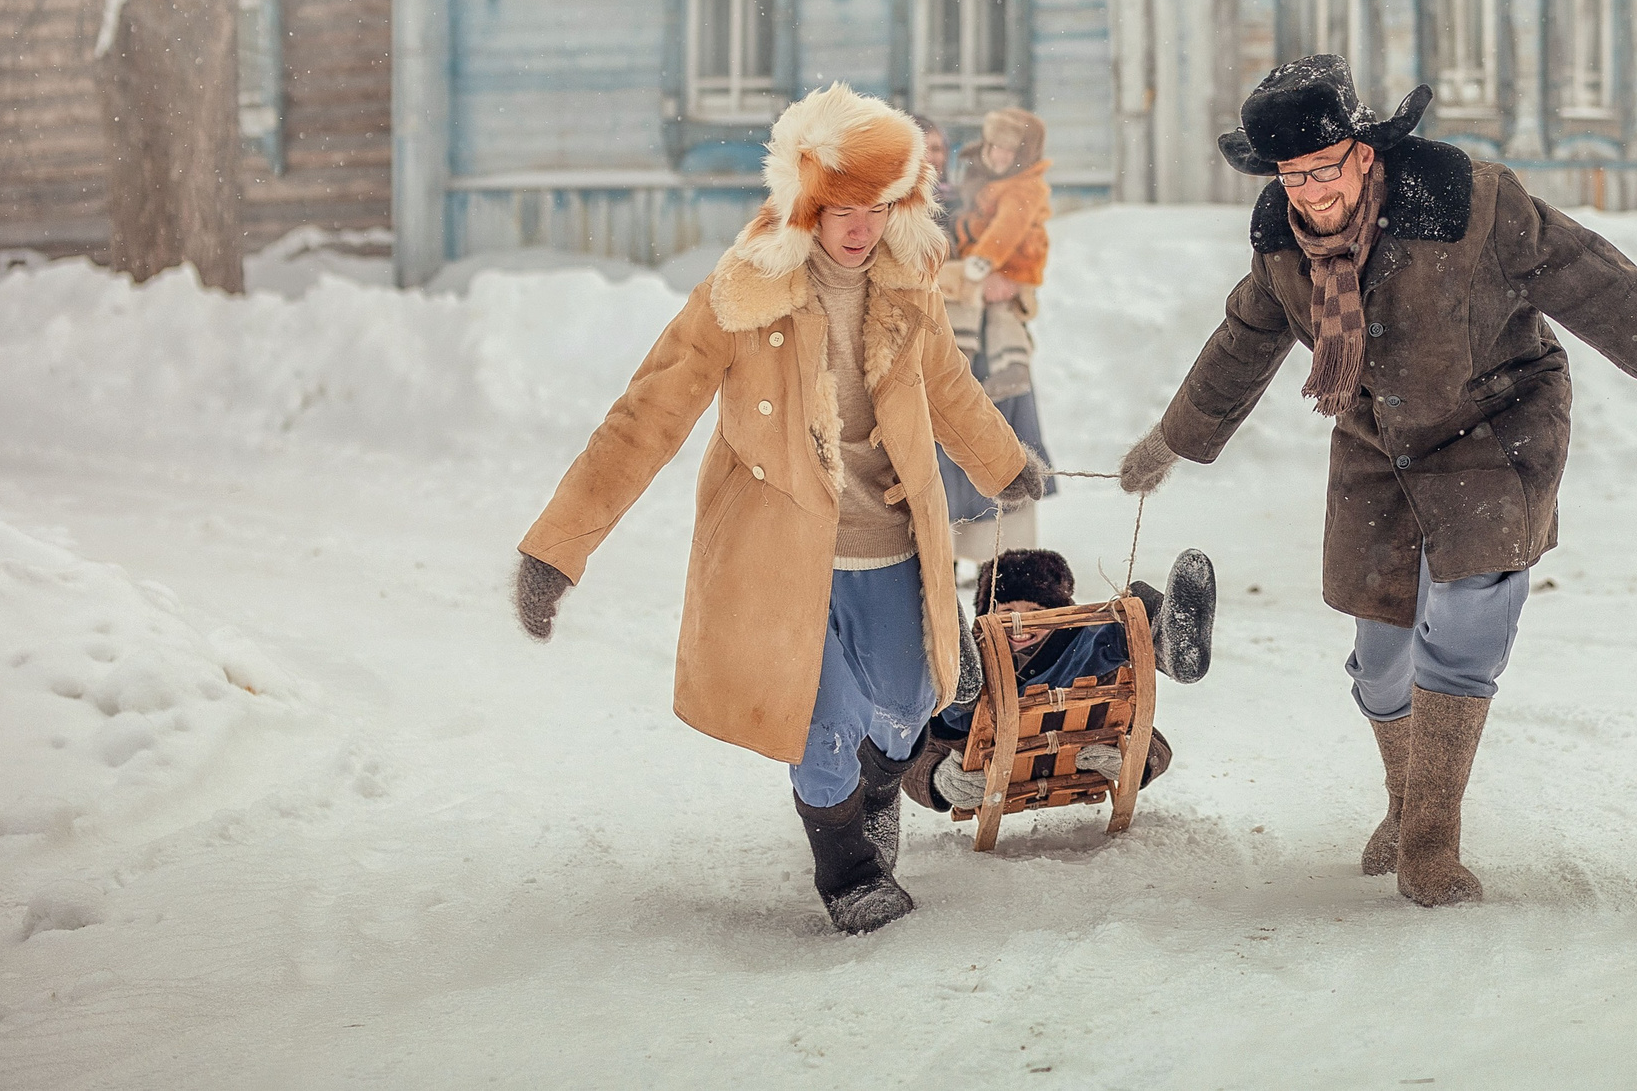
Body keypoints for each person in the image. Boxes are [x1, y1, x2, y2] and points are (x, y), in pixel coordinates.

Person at [1115, 55, 1637, 907]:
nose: (1309, 191)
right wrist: (1173, 441)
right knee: (1382, 666)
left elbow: (1605, 290)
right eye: (1290, 175)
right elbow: (1245, 340)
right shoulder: (1283, 245)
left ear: (1367, 152)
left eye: (1323, 169)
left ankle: (1431, 841)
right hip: (1375, 445)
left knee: (1462, 632)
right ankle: (1405, 801)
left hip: (1496, 428)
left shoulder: (1476, 208)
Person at [510, 84, 1047, 935]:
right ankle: (845, 866)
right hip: (781, 552)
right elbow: (644, 416)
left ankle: (877, 787)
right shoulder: (745, 293)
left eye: (877, 207)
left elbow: (948, 386)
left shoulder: (910, 287)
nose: (859, 227)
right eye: (840, 208)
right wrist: (557, 549)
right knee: (821, 720)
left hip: (893, 545)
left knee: (909, 706)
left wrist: (1008, 466)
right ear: (805, 202)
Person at [902, 547, 1217, 815]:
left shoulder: (1080, 651)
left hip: (1066, 684)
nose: (1019, 624)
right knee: (947, 698)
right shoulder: (978, 655)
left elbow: (1154, 742)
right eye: (1006, 610)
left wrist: (1134, 758)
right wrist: (936, 778)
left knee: (1119, 617)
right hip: (978, 714)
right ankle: (946, 643)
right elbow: (912, 753)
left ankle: (1172, 645)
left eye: (1035, 611)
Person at [936, 107, 1057, 560]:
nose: (933, 158)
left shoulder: (976, 189)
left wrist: (1008, 282)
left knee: (1006, 432)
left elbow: (1010, 236)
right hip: (943, 344)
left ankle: (1006, 558)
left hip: (991, 335)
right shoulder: (901, 203)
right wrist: (965, 280)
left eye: (938, 149)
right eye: (923, 149)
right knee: (946, 440)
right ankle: (941, 555)